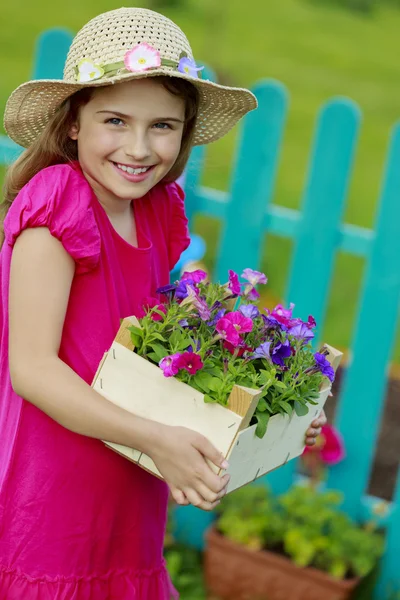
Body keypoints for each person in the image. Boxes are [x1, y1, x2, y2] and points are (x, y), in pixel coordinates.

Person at [0, 7, 326, 599]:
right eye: (116, 120)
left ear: (185, 130)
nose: (140, 147)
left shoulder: (157, 208)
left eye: (163, 126)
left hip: (132, 486)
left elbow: (156, 361)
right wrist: (155, 437)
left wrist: (271, 419)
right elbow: (33, 369)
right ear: (73, 122)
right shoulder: (59, 205)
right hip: (53, 493)